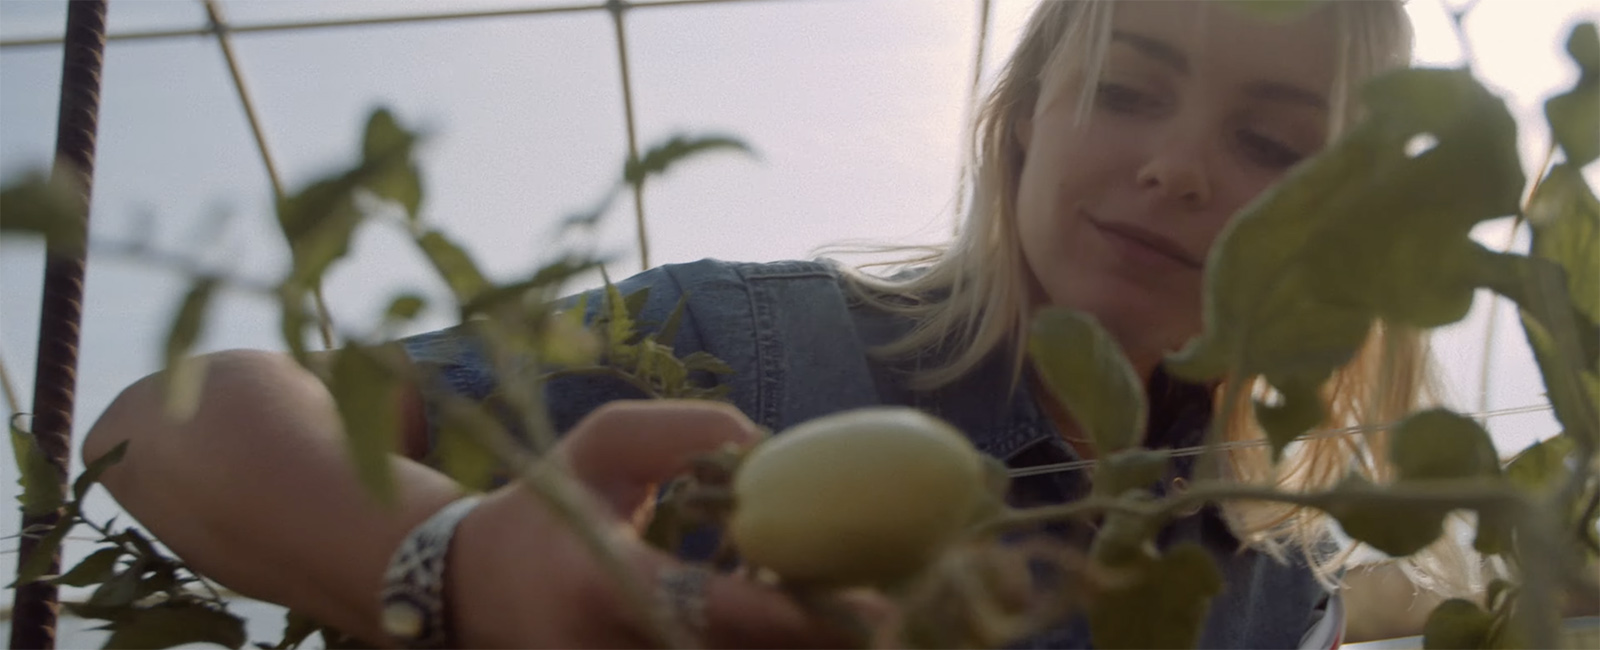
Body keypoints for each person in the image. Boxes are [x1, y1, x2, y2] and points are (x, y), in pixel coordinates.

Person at [83, 1, 1430, 648]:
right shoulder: (762, 347)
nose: (1181, 164)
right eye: (1127, 91)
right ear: (1023, 125)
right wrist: (455, 556)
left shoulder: (1274, 580)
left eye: (1269, 140)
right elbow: (165, 427)